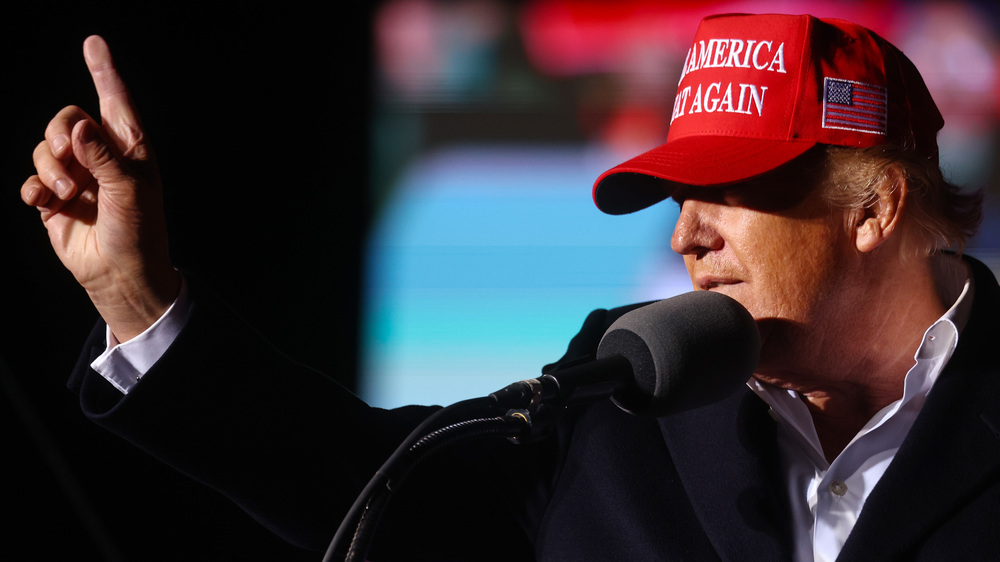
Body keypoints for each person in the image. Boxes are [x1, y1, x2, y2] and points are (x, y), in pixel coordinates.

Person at [20, 12, 999, 561]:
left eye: (728, 193)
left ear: (870, 209)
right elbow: (369, 481)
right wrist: (140, 302)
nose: (685, 235)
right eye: (674, 196)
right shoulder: (624, 381)